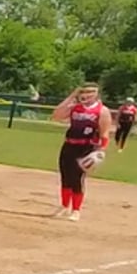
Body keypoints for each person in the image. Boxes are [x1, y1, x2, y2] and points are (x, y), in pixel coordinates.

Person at [50, 83, 110, 221]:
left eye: (90, 92)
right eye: (83, 92)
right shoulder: (75, 107)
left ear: (96, 94)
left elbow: (104, 132)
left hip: (86, 147)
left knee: (77, 178)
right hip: (69, 145)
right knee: (65, 176)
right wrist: (71, 96)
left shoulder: (102, 110)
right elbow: (57, 115)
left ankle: (76, 210)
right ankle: (64, 206)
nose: (86, 95)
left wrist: (102, 149)